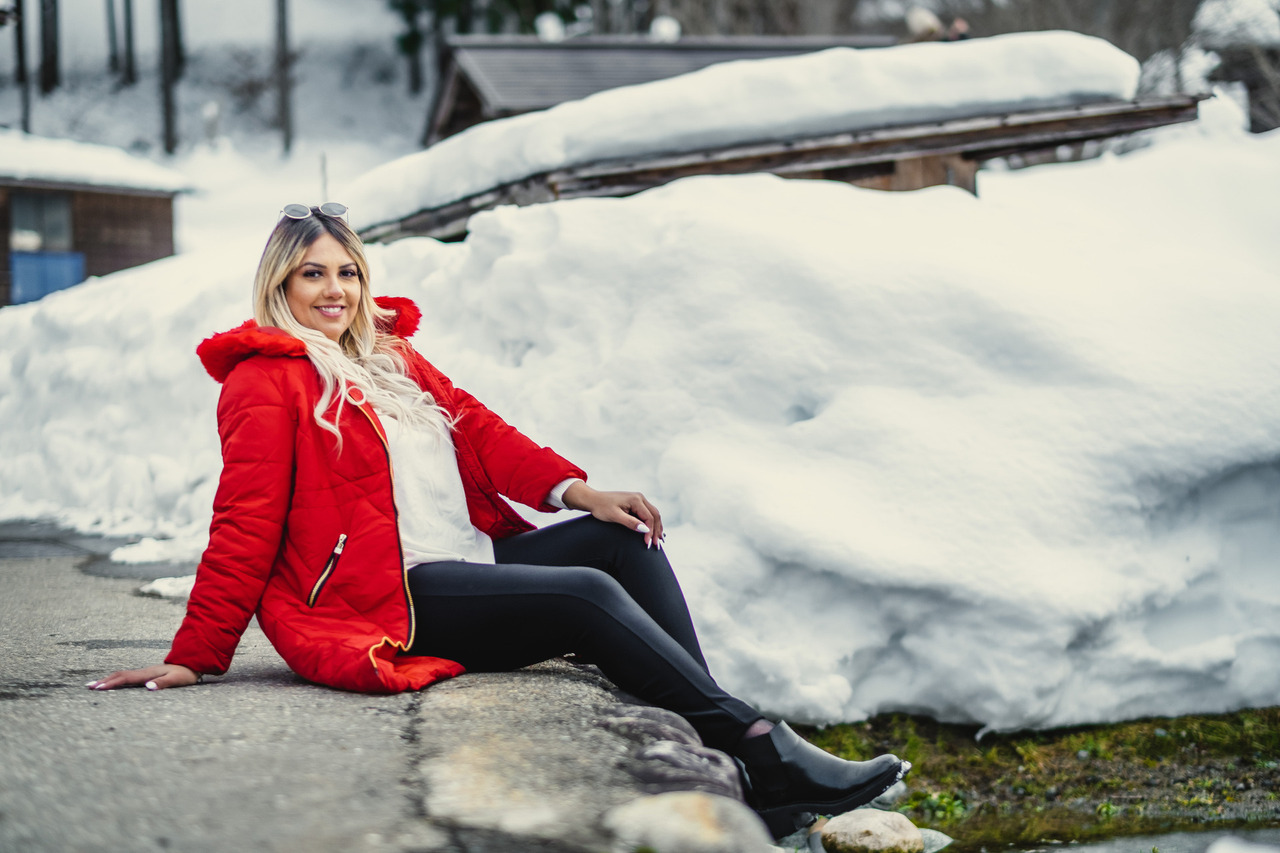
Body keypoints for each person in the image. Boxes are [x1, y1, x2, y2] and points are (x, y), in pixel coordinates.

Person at [88, 204, 909, 838]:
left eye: (346, 271)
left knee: (619, 540)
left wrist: (577, 490)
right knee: (581, 594)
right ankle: (760, 745)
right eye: (312, 274)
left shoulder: (389, 358)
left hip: (458, 567)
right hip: (383, 601)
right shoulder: (263, 383)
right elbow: (244, 519)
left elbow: (478, 428)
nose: (334, 290)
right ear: (280, 284)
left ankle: (736, 753)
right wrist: (195, 656)